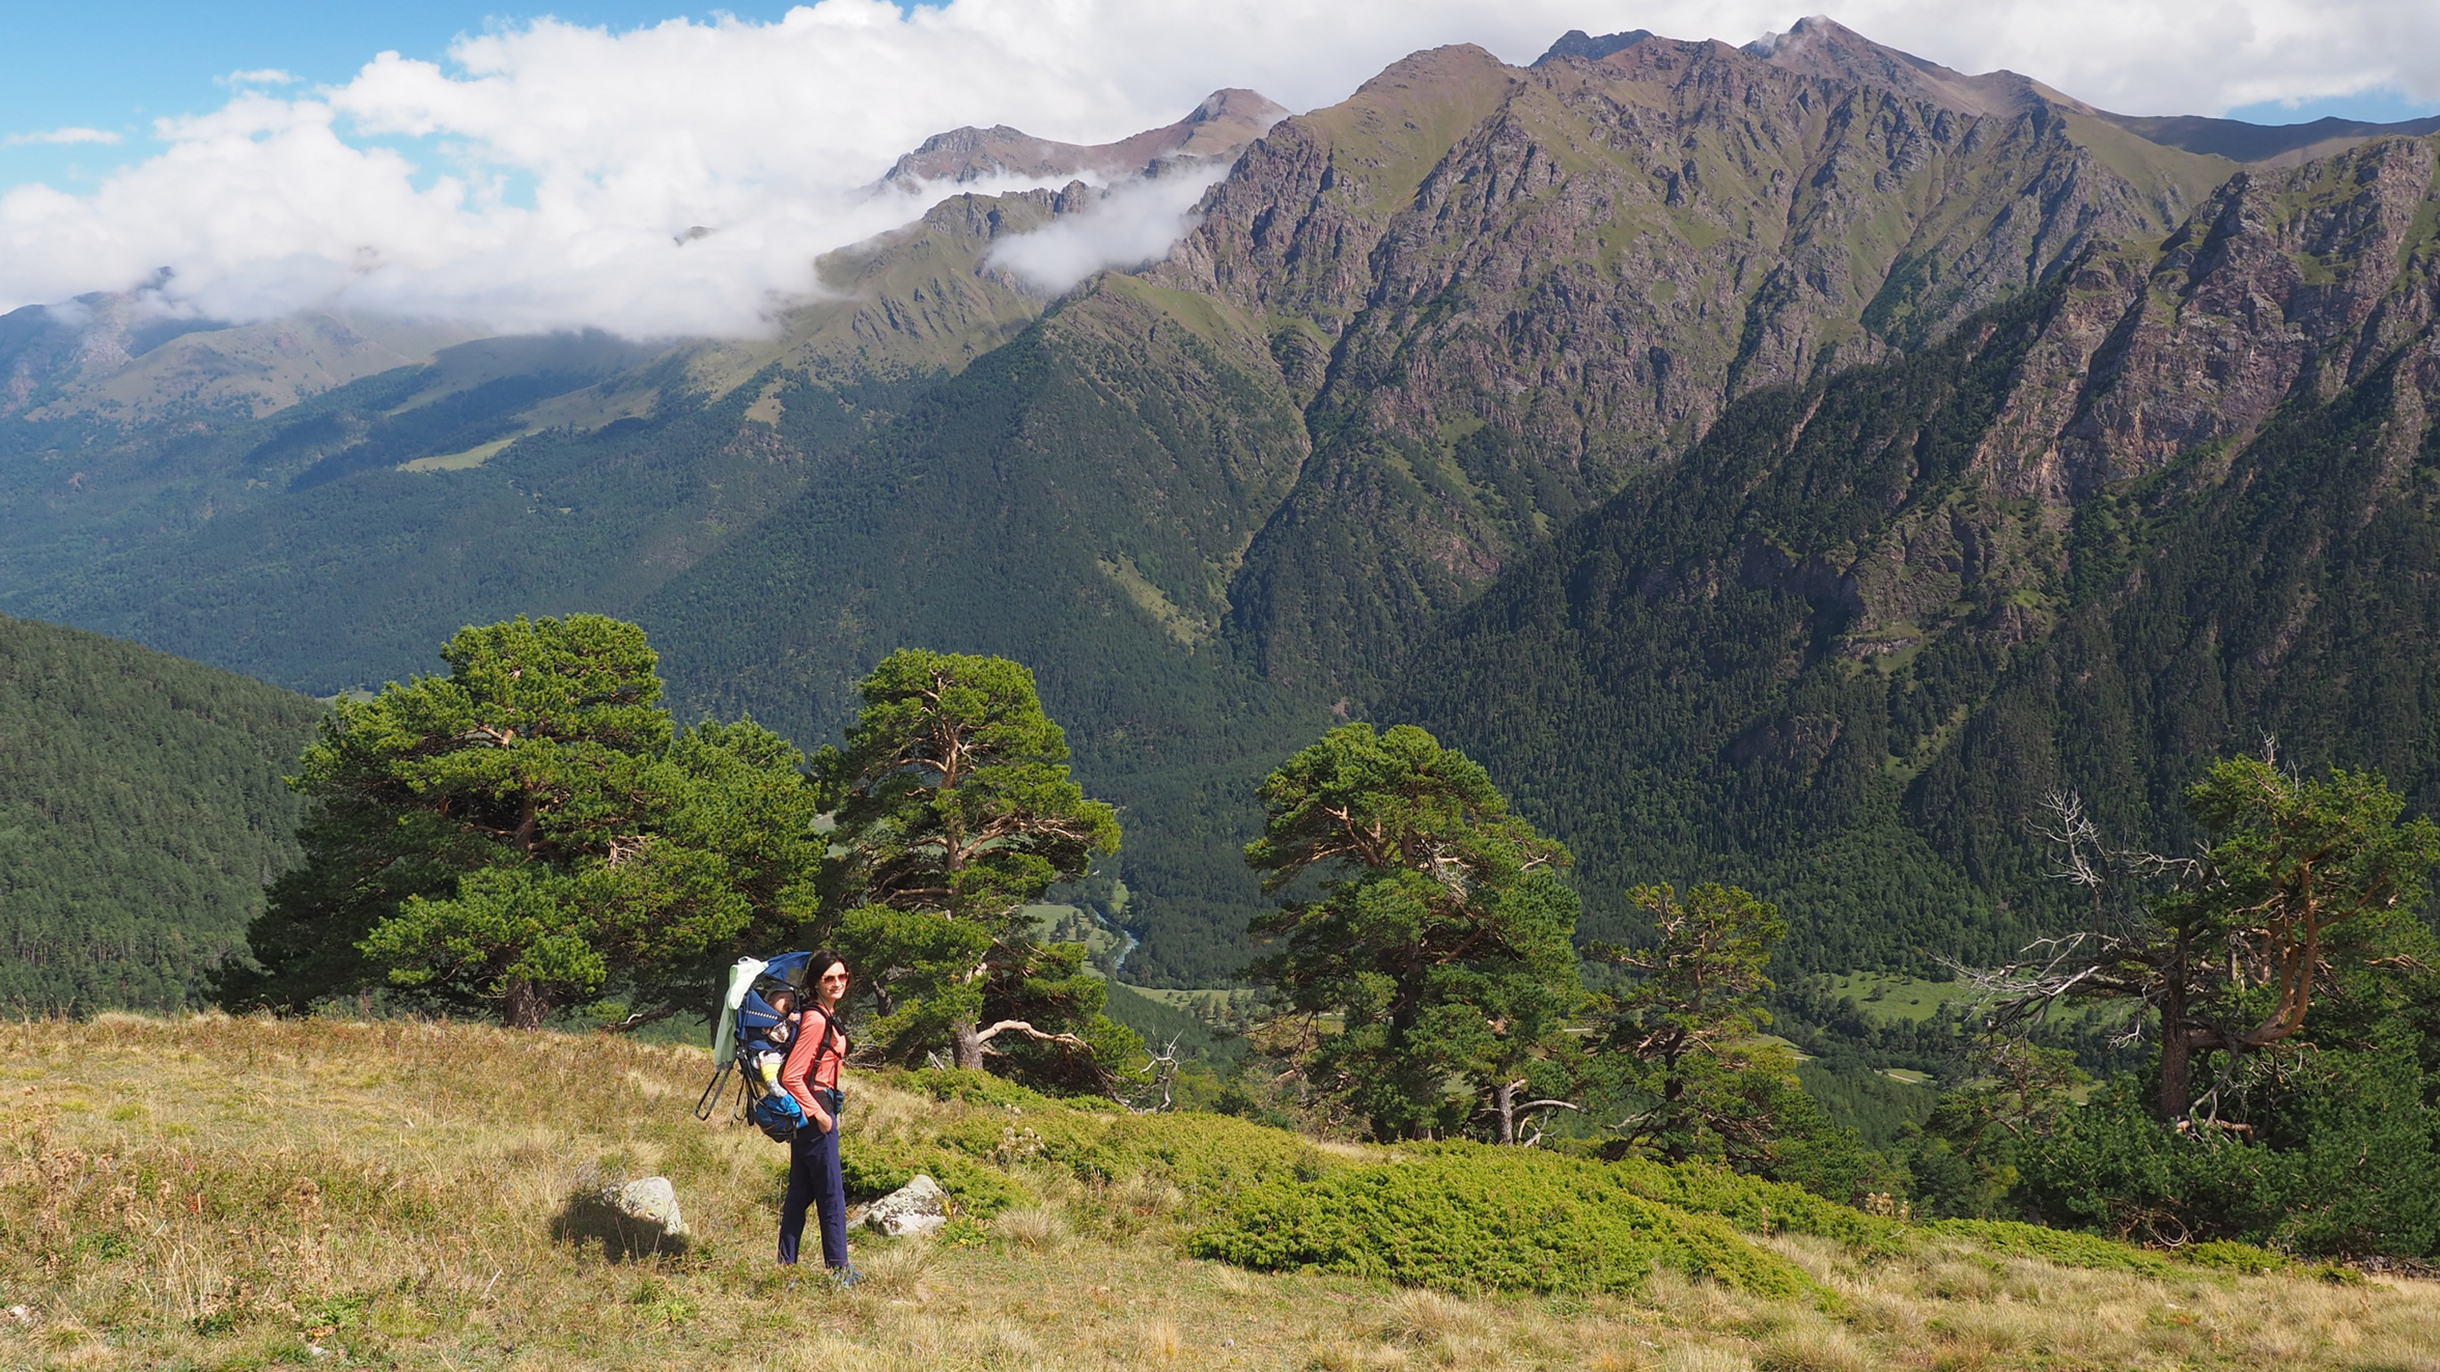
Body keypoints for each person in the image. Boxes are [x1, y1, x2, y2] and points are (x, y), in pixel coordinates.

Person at [777, 952, 854, 1278]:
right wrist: (821, 1116)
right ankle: (839, 1271)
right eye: (829, 979)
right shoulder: (817, 1020)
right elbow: (791, 1076)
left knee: (801, 1192)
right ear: (816, 983)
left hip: (816, 1107)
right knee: (831, 1193)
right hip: (815, 1109)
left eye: (842, 977)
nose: (837, 984)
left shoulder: (824, 1013)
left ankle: (784, 1267)